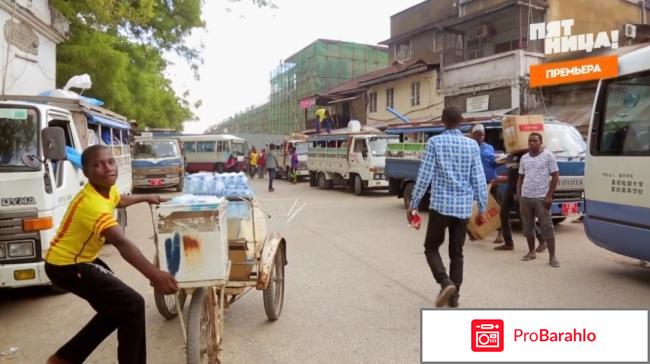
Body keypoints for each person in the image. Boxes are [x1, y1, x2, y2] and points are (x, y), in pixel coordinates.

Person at [44, 145, 178, 364]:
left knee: (116, 310)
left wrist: (147, 197)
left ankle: (65, 358)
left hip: (77, 261)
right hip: (68, 266)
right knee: (132, 304)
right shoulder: (92, 204)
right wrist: (155, 275)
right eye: (98, 164)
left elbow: (120, 200)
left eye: (111, 162)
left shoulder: (105, 189)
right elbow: (121, 242)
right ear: (86, 172)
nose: (108, 168)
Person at [408, 106, 488, 308]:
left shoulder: (435, 142)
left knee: (431, 247)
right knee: (457, 252)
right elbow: (479, 179)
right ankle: (454, 297)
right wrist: (483, 208)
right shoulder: (472, 145)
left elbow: (424, 176)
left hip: (441, 207)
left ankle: (445, 283)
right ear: (461, 120)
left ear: (443, 121)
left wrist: (414, 204)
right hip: (462, 209)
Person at [518, 132, 561, 267]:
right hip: (526, 197)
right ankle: (531, 251)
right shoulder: (524, 158)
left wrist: (549, 196)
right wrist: (519, 194)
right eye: (530, 141)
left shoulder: (548, 156)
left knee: (547, 227)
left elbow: (555, 176)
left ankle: (552, 256)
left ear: (541, 142)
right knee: (528, 227)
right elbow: (520, 177)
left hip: (542, 198)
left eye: (535, 141)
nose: (532, 143)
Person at [493, 151, 545, 251]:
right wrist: (497, 179)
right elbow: (511, 176)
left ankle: (542, 240)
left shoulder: (524, 156)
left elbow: (527, 175)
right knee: (503, 213)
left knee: (524, 217)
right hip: (510, 188)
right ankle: (509, 243)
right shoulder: (509, 156)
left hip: (520, 189)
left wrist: (519, 191)